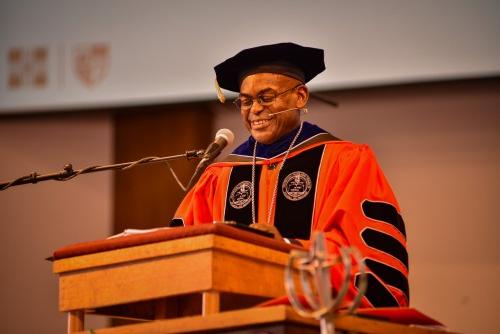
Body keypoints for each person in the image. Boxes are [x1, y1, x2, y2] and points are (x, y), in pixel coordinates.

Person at [173, 42, 409, 308]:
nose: (254, 110)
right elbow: (183, 257)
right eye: (246, 101)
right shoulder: (220, 176)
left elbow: (363, 256)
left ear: (300, 97)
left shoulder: (346, 161)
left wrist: (285, 247)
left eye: (266, 97)